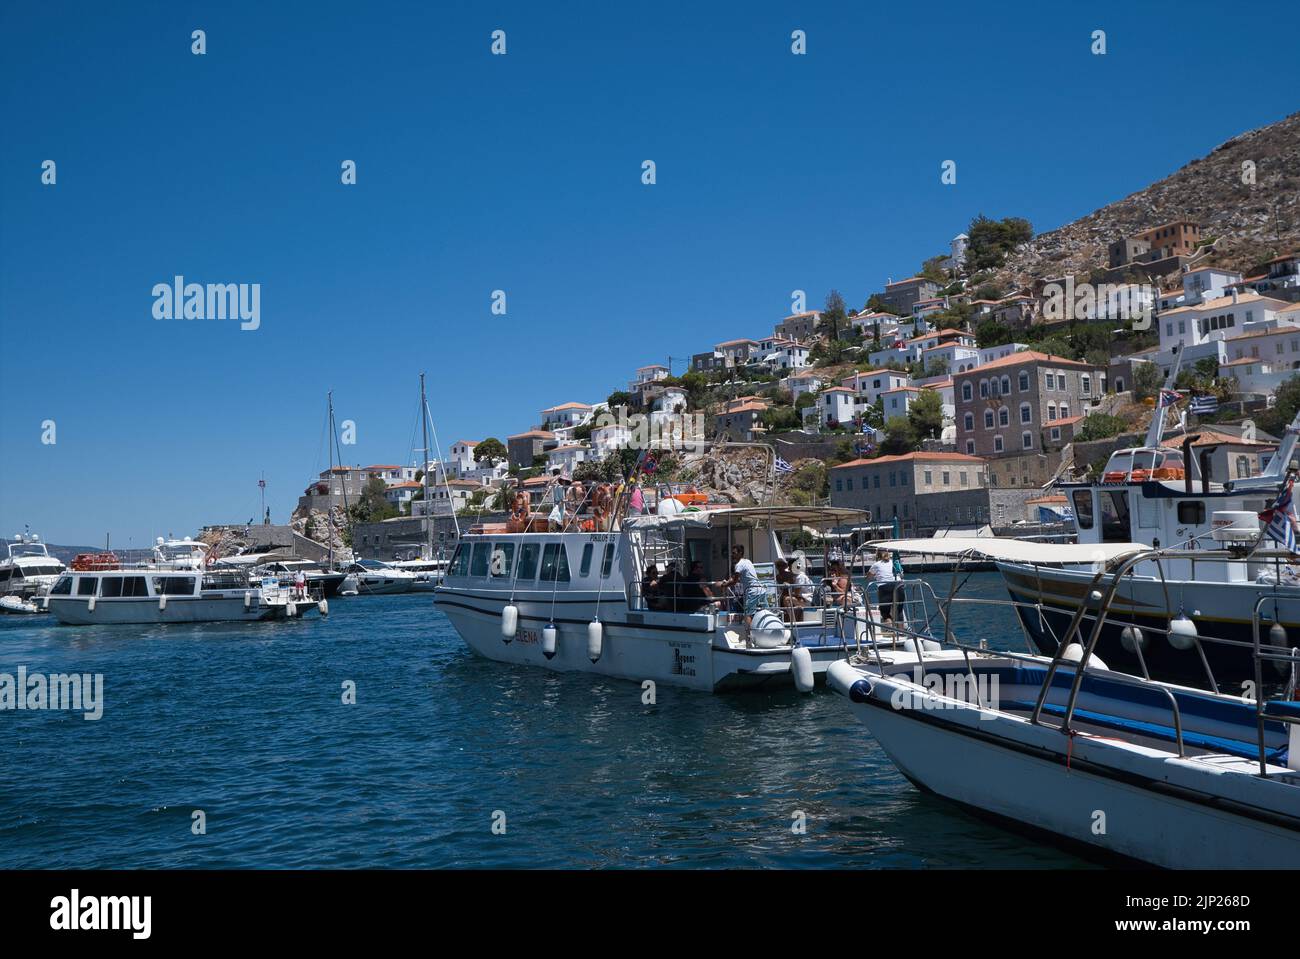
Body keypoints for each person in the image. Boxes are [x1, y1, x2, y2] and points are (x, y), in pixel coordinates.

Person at [718, 544, 765, 626]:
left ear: (740, 553)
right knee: (765, 612)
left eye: (734, 553)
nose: (732, 555)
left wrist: (723, 585)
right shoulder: (748, 561)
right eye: (732, 553)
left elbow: (734, 582)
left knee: (747, 614)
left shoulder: (738, 565)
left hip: (752, 591)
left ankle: (750, 637)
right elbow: (741, 578)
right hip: (761, 590)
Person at [869, 549, 900, 622]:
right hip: (898, 586)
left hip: (885, 588)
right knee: (899, 612)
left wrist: (876, 575)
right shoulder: (893, 562)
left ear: (877, 556)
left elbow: (869, 577)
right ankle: (901, 632)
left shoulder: (876, 564)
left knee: (885, 613)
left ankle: (891, 630)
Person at [775, 558, 798, 623]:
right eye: (778, 565)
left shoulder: (790, 575)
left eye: (782, 565)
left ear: (785, 566)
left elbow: (793, 586)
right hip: (781, 596)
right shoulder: (776, 576)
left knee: (785, 599)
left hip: (789, 595)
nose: (780, 567)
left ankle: (790, 621)